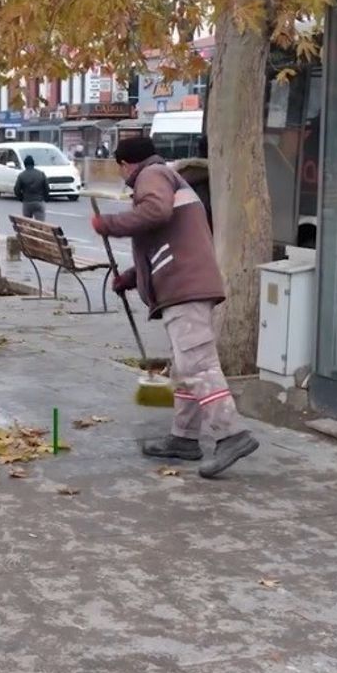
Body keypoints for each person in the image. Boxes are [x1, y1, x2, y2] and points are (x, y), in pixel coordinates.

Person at [91, 136, 259, 479]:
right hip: (185, 283)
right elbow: (167, 241)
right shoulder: (165, 176)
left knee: (197, 364)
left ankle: (231, 434)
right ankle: (183, 438)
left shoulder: (151, 175)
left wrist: (108, 224)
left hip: (185, 286)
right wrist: (131, 277)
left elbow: (155, 212)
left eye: (120, 167)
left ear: (126, 164)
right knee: (185, 366)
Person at [12, 155, 50, 221]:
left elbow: (16, 190)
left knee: (27, 223)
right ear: (33, 164)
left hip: (27, 202)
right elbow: (47, 188)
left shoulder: (21, 175)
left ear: (25, 164)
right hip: (39, 201)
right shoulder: (41, 174)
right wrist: (45, 198)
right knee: (40, 224)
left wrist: (21, 198)